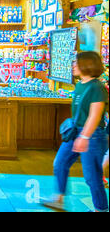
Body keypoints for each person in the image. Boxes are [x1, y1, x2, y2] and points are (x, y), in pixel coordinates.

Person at [43, 51, 109, 212]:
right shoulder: (80, 84)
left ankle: (101, 208)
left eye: (76, 63)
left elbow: (95, 115)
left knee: (92, 176)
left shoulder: (97, 87)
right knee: (60, 163)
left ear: (86, 65)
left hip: (92, 135)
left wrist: (85, 136)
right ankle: (59, 198)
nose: (73, 66)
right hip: (76, 132)